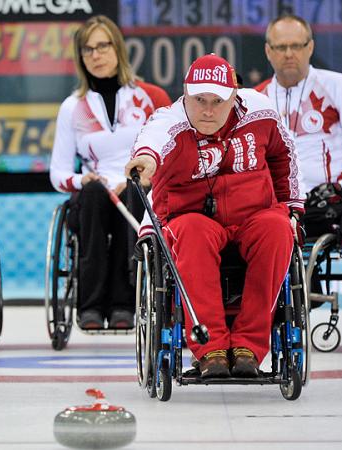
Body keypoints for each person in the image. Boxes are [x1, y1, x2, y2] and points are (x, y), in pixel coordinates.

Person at [125, 54, 304, 378]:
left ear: (234, 97)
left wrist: (292, 206)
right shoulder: (170, 120)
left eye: (217, 101)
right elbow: (151, 141)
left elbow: (283, 154)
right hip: (191, 215)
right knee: (191, 233)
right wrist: (146, 160)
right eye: (199, 100)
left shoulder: (260, 111)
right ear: (185, 93)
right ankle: (212, 350)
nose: (207, 110)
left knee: (278, 229)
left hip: (254, 212)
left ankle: (250, 346)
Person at [49, 15, 170, 330]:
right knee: (91, 195)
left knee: (133, 193)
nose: (96, 55)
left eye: (102, 46)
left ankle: (123, 304)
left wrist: (149, 178)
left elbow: (172, 156)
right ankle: (89, 305)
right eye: (87, 49)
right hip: (95, 196)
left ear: (118, 48)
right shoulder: (72, 107)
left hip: (140, 191)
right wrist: (82, 179)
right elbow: (59, 174)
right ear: (80, 57)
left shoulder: (151, 97)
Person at [256, 14, 342, 237]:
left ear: (310, 47)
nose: (289, 54)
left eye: (296, 45)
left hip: (326, 202)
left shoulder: (337, 86)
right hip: (274, 205)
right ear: (268, 51)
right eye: (281, 47)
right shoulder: (257, 98)